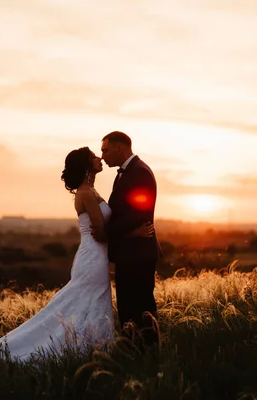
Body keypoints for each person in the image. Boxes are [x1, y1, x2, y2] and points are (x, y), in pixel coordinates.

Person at [0, 146, 150, 367]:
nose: (99, 157)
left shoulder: (92, 191)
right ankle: (70, 347)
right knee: (88, 301)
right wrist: (133, 233)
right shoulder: (85, 194)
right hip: (92, 258)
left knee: (91, 302)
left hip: (97, 257)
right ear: (86, 165)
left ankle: (90, 348)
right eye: (94, 156)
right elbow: (100, 231)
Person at [93, 131, 162, 350]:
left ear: (120, 148)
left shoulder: (139, 173)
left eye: (105, 150)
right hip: (130, 252)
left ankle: (147, 354)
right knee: (128, 307)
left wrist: (105, 231)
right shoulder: (127, 173)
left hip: (138, 253)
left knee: (140, 307)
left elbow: (135, 214)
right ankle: (134, 351)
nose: (102, 156)